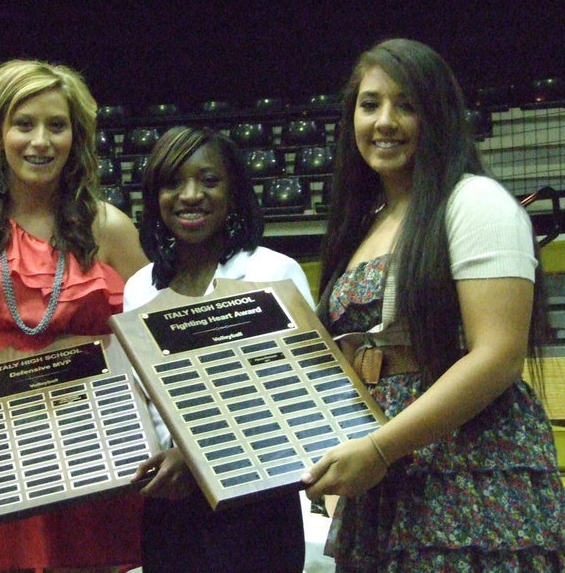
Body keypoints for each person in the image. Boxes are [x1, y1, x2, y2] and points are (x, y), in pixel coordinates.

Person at [301, 38, 565, 571]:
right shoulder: (366, 220)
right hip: (387, 476)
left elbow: (498, 356)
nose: (385, 121)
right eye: (370, 104)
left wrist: (378, 450)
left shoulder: (476, 202)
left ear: (439, 114)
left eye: (408, 105)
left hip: (470, 472)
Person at [0, 59, 149, 573]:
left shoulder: (110, 229)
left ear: (77, 135)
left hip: (90, 449)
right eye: (24, 124)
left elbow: (147, 340)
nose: (40, 141)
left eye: (57, 125)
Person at [125, 126, 311, 572]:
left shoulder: (274, 271)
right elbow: (140, 402)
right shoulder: (138, 288)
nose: (190, 195)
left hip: (259, 505)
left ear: (234, 192)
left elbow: (297, 397)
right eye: (173, 183)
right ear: (155, 196)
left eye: (209, 181)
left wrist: (196, 458)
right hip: (169, 509)